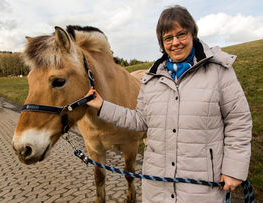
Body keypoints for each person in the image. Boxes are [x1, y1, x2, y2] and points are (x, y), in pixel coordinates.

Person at [86, 5, 252, 203]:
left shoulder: (219, 72)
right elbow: (140, 120)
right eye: (168, 38)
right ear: (161, 43)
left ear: (193, 34)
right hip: (158, 188)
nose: (175, 43)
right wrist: (102, 106)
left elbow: (239, 121)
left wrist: (234, 168)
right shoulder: (152, 79)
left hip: (201, 187)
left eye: (181, 35)